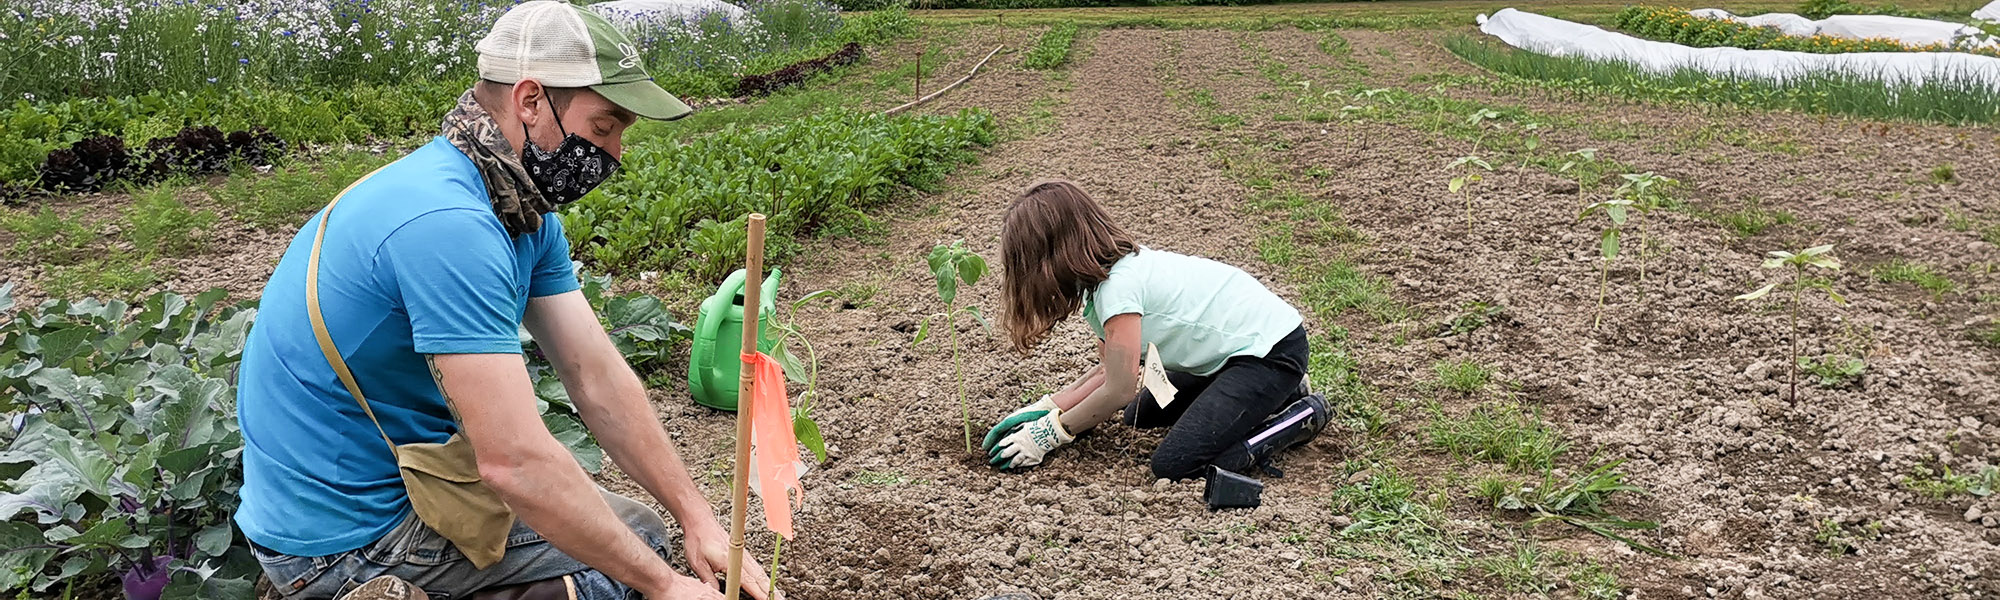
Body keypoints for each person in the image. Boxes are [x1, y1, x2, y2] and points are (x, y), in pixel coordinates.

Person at [232, 3, 776, 599]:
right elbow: (512, 461)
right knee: (615, 576)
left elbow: (594, 376)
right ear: (530, 101)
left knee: (642, 534)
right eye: (604, 126)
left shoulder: (518, 212)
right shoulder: (448, 226)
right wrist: (666, 587)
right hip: (344, 537)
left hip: (402, 483)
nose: (615, 153)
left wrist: (697, 517)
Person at [981, 179, 1331, 481]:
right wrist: (1046, 407)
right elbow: (1113, 371)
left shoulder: (1118, 290)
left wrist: (1050, 434)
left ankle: (1301, 412)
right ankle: (1277, 393)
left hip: (1270, 352)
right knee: (1141, 415)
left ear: (1054, 253)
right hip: (1229, 354)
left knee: (1177, 463)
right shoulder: (1103, 280)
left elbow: (1118, 390)